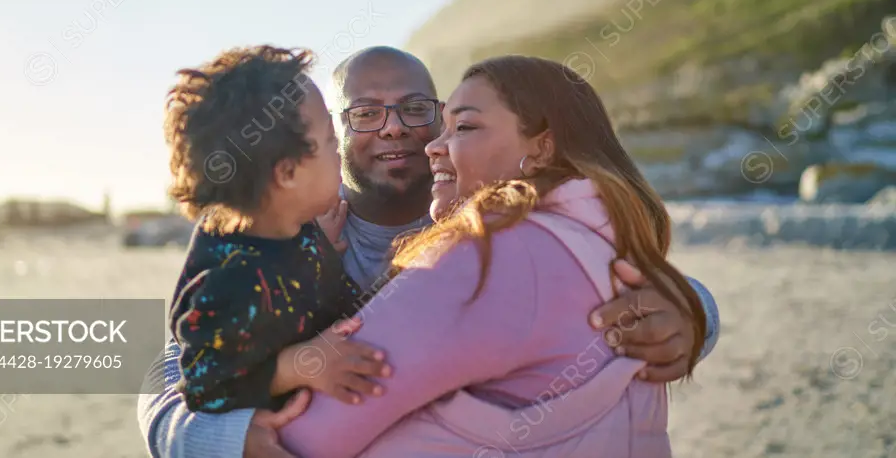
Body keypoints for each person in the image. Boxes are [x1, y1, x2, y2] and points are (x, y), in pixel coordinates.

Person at [138, 46, 721, 458]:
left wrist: (692, 311)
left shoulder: (492, 227)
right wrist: (215, 440)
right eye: (365, 112)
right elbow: (175, 359)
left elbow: (596, 276)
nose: (393, 128)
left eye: (416, 109)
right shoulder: (277, 229)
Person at [162, 46, 387, 414]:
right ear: (287, 174)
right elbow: (202, 386)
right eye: (331, 142)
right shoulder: (234, 280)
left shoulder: (297, 233)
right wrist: (296, 366)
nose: (339, 153)